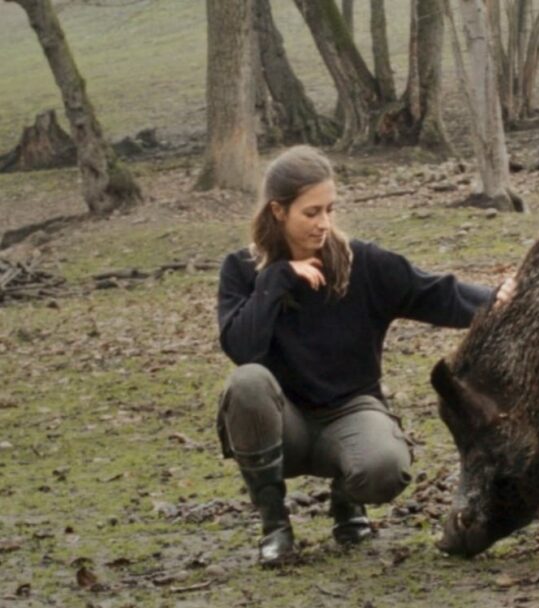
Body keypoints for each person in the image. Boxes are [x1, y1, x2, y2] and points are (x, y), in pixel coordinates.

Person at [215, 145, 514, 566]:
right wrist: (278, 277)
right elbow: (242, 347)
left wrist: (497, 299)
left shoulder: (361, 263)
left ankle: (347, 501)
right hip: (283, 422)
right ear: (278, 211)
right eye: (311, 213)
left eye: (329, 210)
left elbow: (433, 292)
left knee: (385, 469)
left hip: (349, 411)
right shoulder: (242, 270)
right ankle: (275, 525)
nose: (324, 224)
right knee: (246, 381)